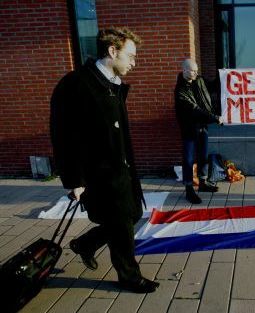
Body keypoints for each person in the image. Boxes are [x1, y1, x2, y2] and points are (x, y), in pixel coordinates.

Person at [50, 27, 159, 293]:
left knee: (131, 214)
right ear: (112, 51)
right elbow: (63, 136)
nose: (134, 63)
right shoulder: (76, 84)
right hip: (98, 172)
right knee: (122, 223)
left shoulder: (112, 84)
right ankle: (129, 276)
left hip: (122, 169)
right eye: (130, 56)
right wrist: (74, 179)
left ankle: (85, 244)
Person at [175, 59, 223, 204]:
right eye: (192, 71)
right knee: (188, 160)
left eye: (196, 70)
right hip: (189, 130)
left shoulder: (199, 80)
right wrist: (215, 118)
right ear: (184, 70)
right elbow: (195, 110)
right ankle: (189, 190)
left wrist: (226, 75)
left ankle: (203, 184)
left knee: (203, 156)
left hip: (202, 128)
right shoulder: (180, 91)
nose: (196, 73)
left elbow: (213, 86)